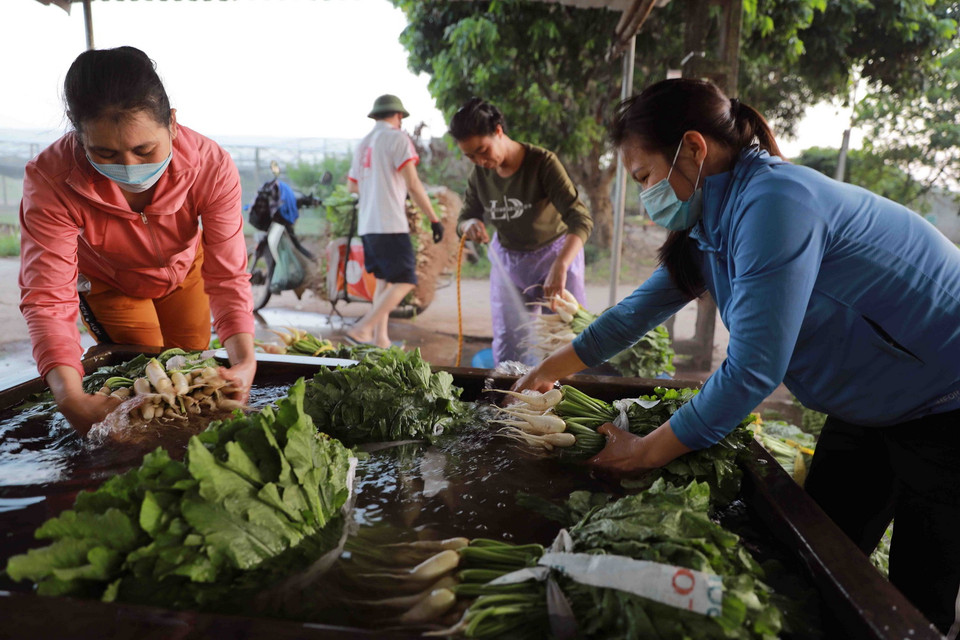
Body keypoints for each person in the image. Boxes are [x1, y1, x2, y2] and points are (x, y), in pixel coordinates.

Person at [515, 77, 960, 633]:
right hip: (873, 399)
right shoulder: (712, 224)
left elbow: (753, 369)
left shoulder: (775, 203)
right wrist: (546, 371)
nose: (647, 197)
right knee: (821, 552)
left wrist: (645, 452)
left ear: (693, 148)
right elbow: (633, 314)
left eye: (645, 176)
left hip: (945, 396)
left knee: (915, 596)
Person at [18, 46, 257, 436]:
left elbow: (228, 275)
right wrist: (68, 396)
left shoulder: (211, 165)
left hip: (185, 272)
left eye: (145, 150)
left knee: (192, 374)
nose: (129, 167)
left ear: (172, 124)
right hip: (110, 284)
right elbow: (48, 298)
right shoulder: (51, 178)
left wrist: (246, 361)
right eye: (104, 152)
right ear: (78, 137)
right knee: (138, 387)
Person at [449, 98, 593, 366]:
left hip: (554, 256)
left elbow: (580, 219)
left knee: (561, 337)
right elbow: (465, 216)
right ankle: (512, 390)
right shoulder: (480, 175)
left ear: (498, 131)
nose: (480, 161)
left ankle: (559, 391)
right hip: (509, 263)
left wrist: (561, 265)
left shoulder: (542, 163)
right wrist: (468, 225)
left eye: (483, 150)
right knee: (510, 341)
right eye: (470, 156)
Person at [346, 94, 444, 348]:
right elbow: (412, 183)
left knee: (384, 280)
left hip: (368, 225)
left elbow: (352, 186)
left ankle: (380, 339)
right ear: (398, 116)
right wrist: (434, 218)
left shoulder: (363, 144)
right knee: (405, 280)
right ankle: (363, 328)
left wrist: (376, 187)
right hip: (390, 223)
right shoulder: (397, 138)